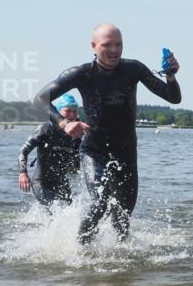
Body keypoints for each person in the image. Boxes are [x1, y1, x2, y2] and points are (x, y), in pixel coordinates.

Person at [34, 22, 181, 244]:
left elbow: (173, 98)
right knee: (100, 201)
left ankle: (120, 260)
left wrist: (170, 76)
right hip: (94, 151)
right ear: (93, 46)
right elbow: (39, 99)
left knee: (123, 216)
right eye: (107, 45)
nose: (114, 50)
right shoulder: (81, 74)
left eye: (119, 44)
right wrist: (63, 123)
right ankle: (80, 252)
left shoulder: (134, 69)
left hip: (126, 152)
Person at [18, 95, 82, 206]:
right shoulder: (46, 128)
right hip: (41, 182)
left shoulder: (77, 133)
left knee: (72, 211)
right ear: (57, 111)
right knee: (53, 210)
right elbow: (23, 152)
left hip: (62, 182)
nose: (72, 114)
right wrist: (23, 173)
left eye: (74, 111)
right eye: (68, 111)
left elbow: (80, 160)